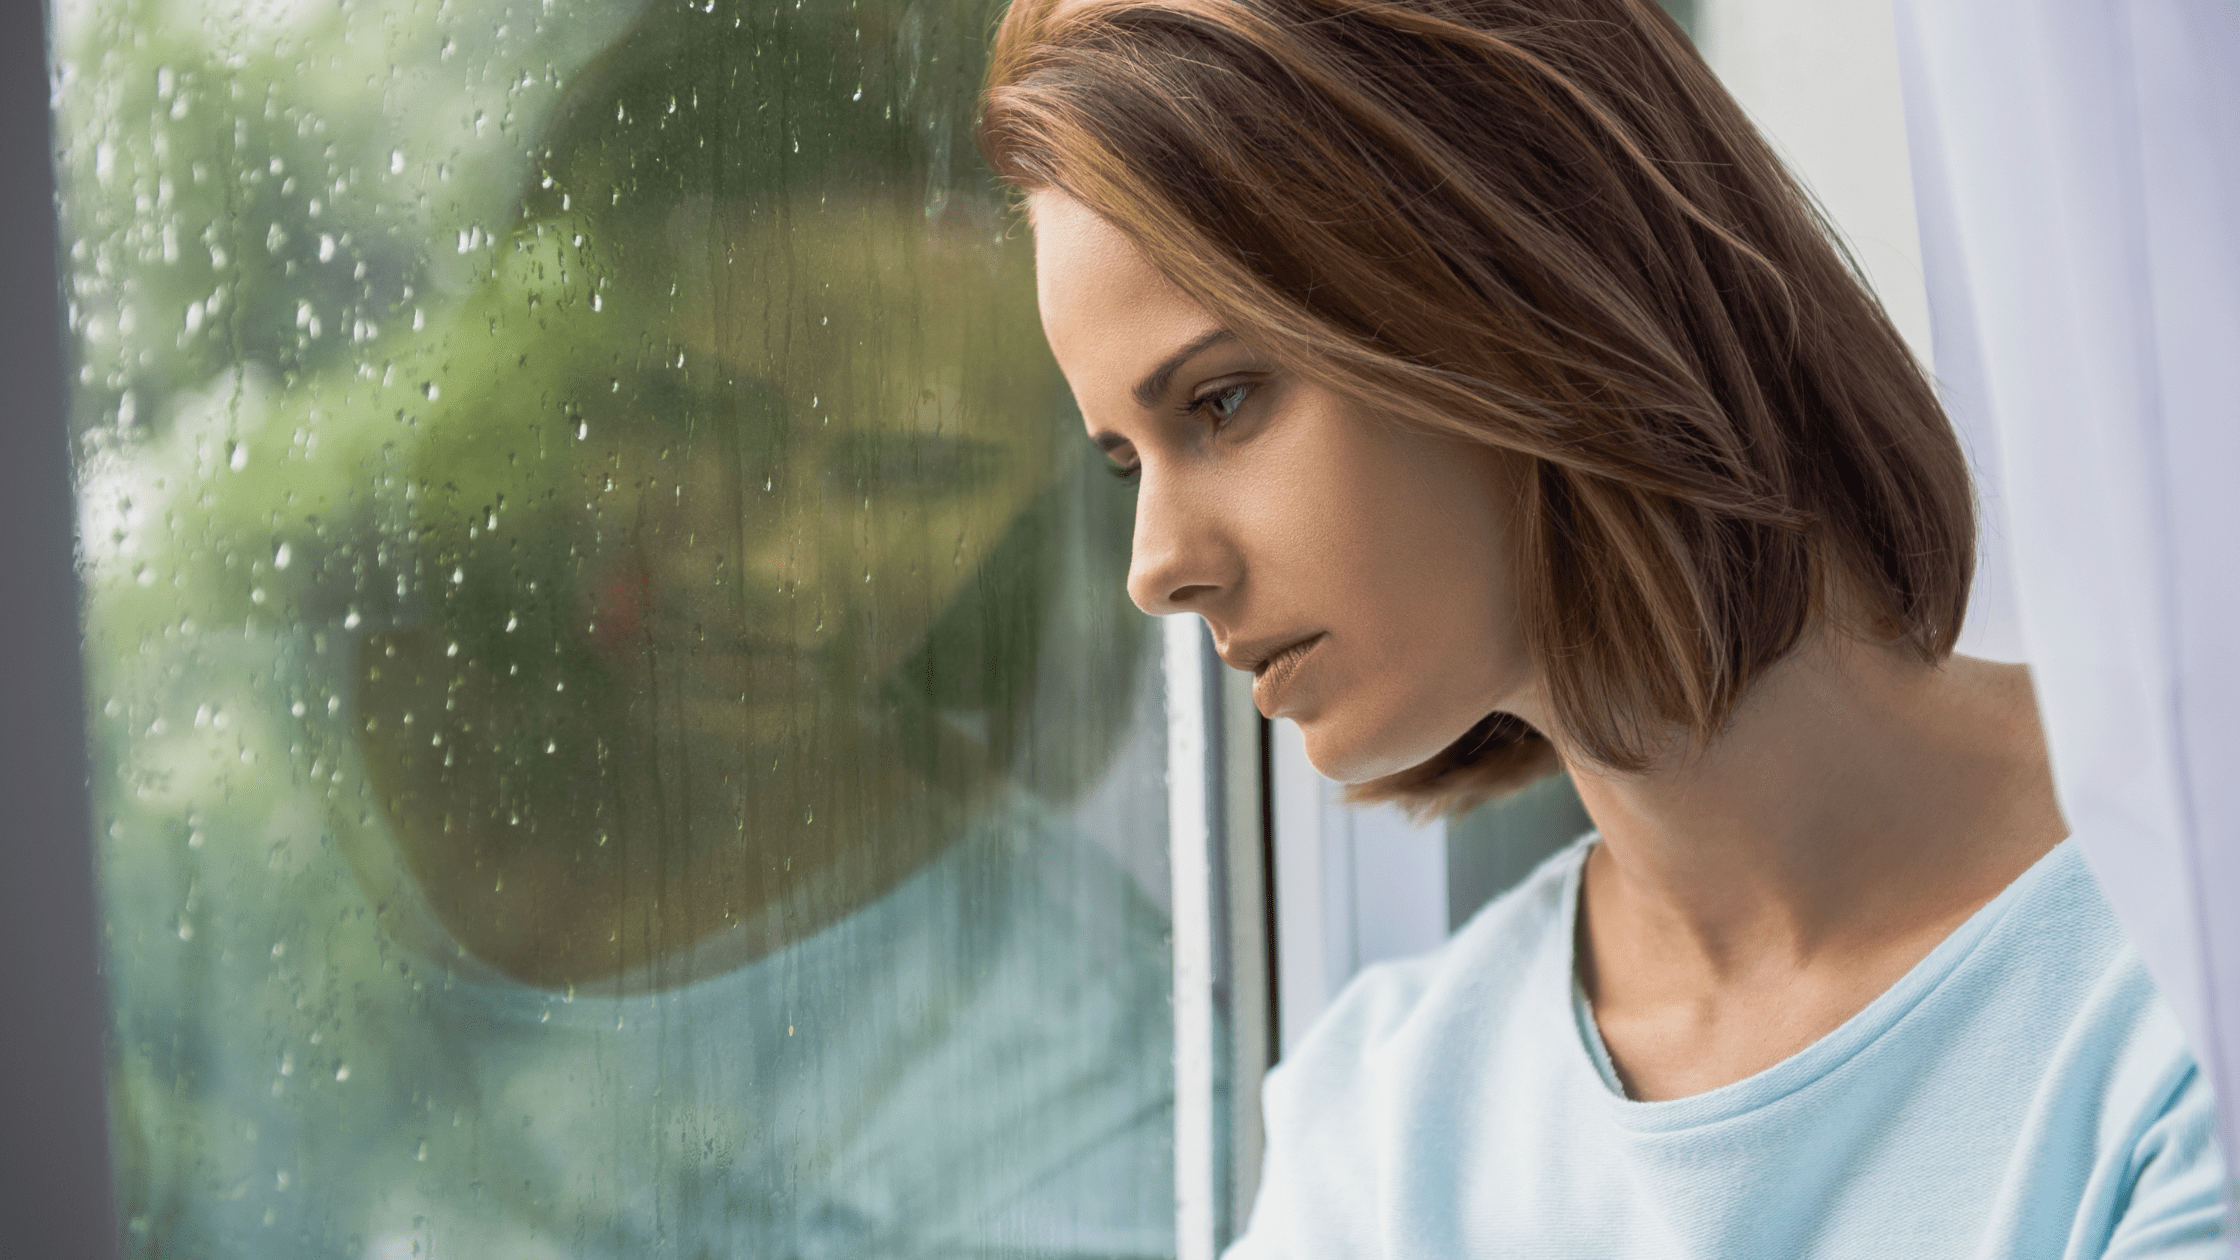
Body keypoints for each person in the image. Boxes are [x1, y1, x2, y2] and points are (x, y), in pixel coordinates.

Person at [980, 0, 2228, 1254]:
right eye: (1124, 465)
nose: (1154, 571)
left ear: (1505, 284)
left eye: (1222, 400)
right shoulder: (1389, 1117)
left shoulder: (2181, 952)